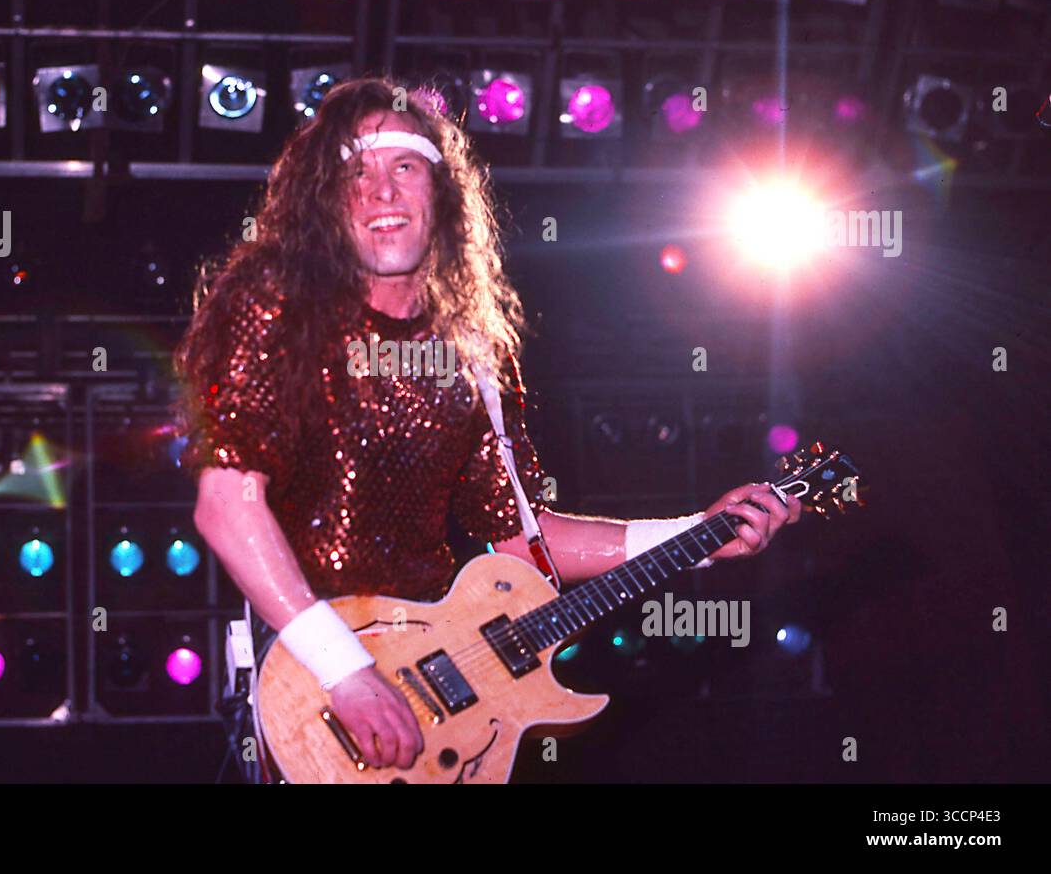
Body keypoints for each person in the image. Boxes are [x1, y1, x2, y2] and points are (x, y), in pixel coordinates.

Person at [174, 76, 800, 781]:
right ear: (325, 202)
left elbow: (528, 545)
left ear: (440, 195)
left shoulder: (471, 358)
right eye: (354, 173)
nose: (381, 190)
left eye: (403, 166)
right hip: (313, 680)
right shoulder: (274, 307)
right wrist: (346, 670)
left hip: (439, 702)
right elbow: (226, 503)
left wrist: (699, 536)